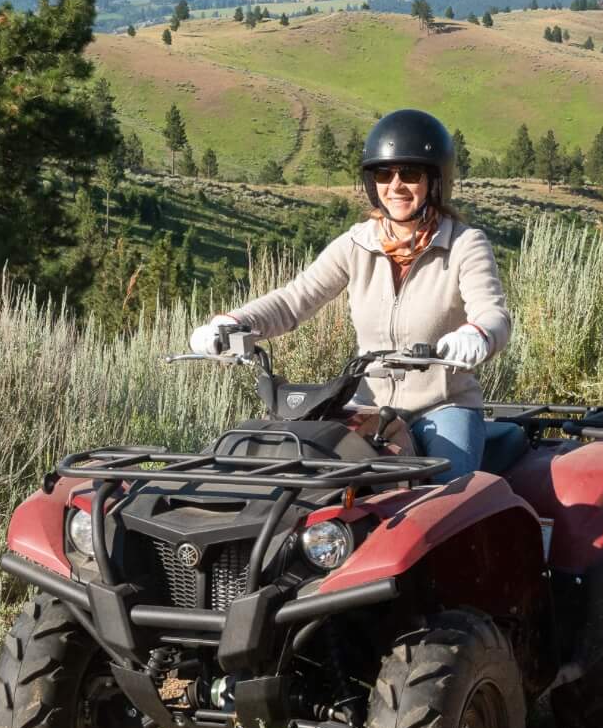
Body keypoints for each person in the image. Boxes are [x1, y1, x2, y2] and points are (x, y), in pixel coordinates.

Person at [190, 109, 513, 481]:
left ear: (434, 181)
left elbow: (493, 313)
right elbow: (295, 299)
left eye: (409, 174)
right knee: (307, 480)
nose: (396, 186)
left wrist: (477, 335)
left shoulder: (463, 245)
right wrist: (232, 324)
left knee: (443, 496)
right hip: (367, 405)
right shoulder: (357, 243)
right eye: (383, 174)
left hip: (442, 408)